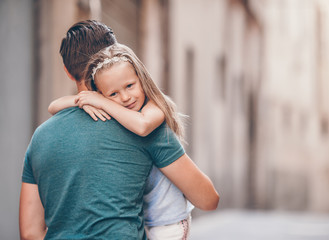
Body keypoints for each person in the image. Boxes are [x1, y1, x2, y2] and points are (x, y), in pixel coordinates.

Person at [19, 20, 219, 240]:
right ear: (112, 58)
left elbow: (30, 233)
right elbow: (207, 199)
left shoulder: (40, 137)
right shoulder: (142, 124)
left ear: (67, 71)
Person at [48, 43, 194, 238]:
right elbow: (53, 106)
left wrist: (102, 101)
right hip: (146, 219)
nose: (125, 97)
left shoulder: (154, 108)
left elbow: (142, 126)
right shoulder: (119, 113)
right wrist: (84, 100)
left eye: (130, 86)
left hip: (170, 222)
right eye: (113, 93)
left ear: (141, 79)